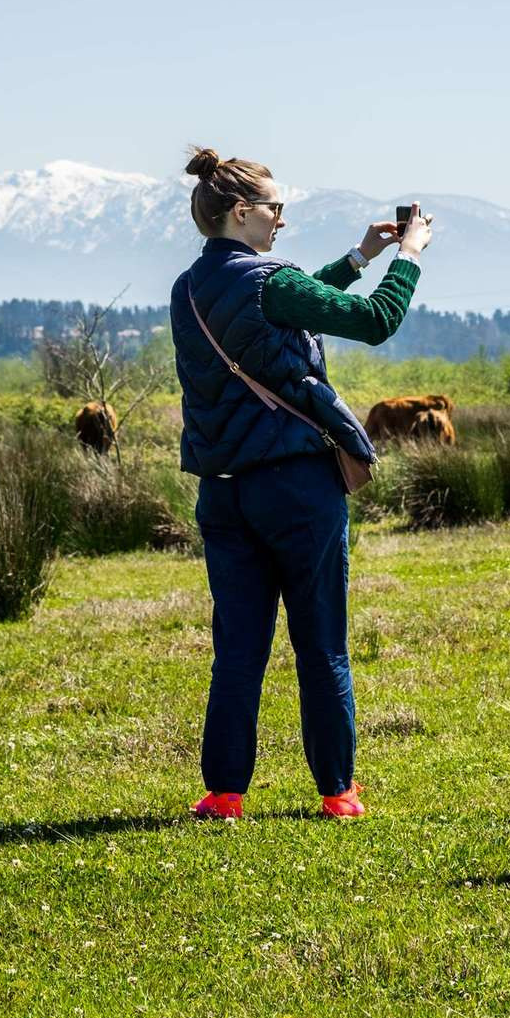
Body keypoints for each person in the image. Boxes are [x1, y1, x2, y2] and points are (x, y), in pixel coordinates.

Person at [169, 146, 432, 821]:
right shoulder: (272, 280)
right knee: (320, 643)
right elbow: (374, 321)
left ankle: (224, 792)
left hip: (222, 491)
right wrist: (409, 253)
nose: (282, 221)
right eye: (276, 208)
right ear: (242, 211)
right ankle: (337, 790)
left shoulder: (189, 289)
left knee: (238, 648)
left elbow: (268, 318)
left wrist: (356, 257)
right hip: (296, 489)